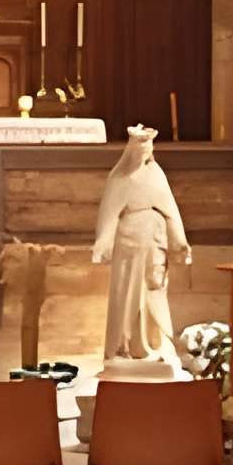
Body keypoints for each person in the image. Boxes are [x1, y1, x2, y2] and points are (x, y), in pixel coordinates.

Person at [92, 125, 190, 366]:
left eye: (149, 147)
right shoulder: (120, 177)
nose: (145, 152)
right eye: (141, 147)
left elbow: (170, 211)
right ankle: (125, 345)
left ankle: (155, 343)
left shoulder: (156, 174)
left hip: (155, 241)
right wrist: (102, 243)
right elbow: (109, 213)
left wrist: (180, 241)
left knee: (154, 291)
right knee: (127, 296)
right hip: (128, 243)